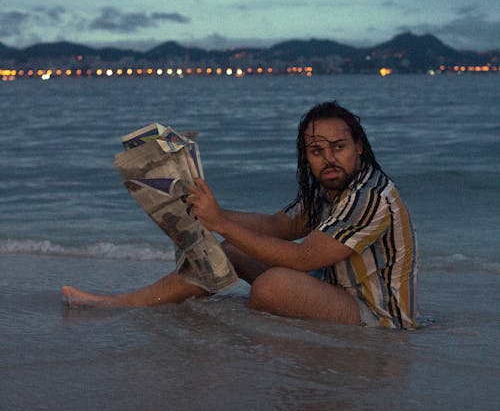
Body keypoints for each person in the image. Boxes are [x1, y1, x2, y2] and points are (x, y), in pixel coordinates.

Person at [61, 101, 418, 329]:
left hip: (377, 315)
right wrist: (204, 209)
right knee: (228, 253)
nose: (328, 159)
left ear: (359, 147)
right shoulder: (328, 189)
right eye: (316, 151)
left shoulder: (369, 196)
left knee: (271, 286)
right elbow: (279, 225)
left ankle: (232, 329)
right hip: (333, 290)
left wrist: (221, 223)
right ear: (305, 157)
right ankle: (126, 303)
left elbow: (302, 257)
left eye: (338, 147)